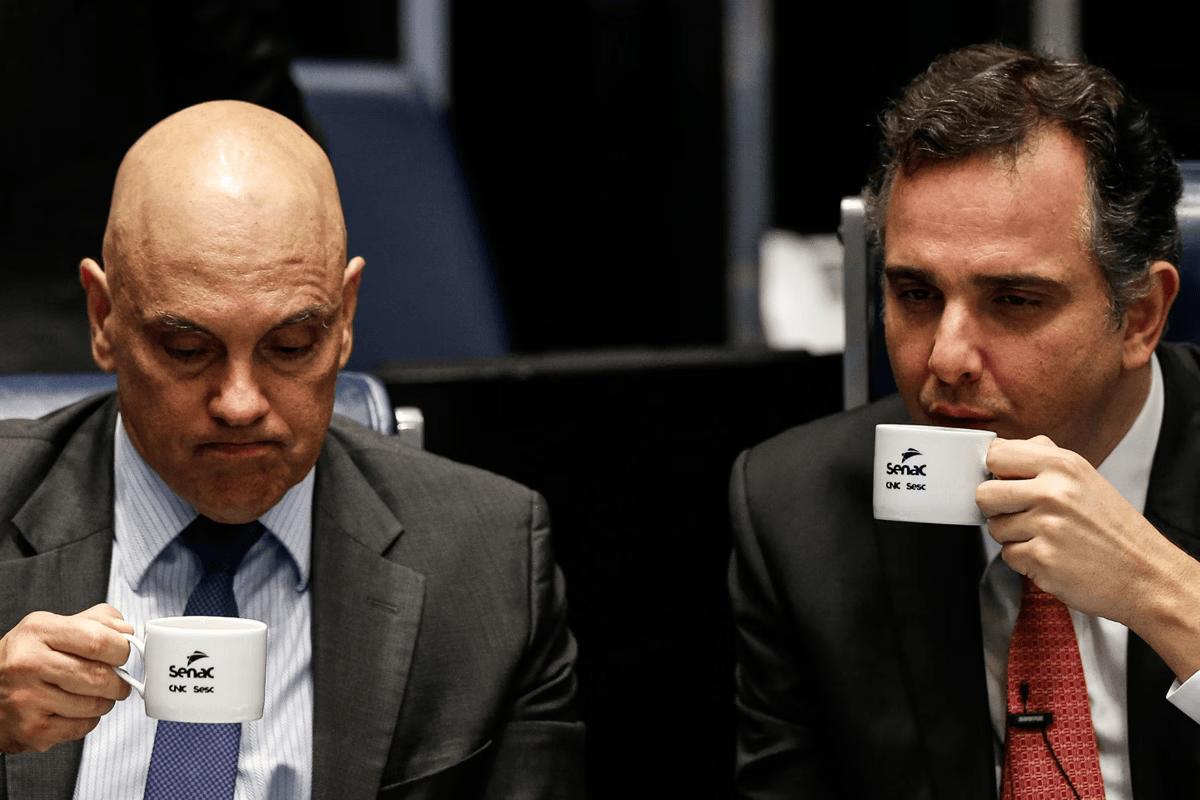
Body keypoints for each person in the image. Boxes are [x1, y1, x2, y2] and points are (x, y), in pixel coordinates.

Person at [0, 100, 583, 799]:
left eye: (290, 347)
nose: (241, 402)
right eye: (188, 350)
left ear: (345, 320)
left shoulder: (489, 561)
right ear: (104, 318)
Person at [729, 44, 1200, 799]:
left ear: (1140, 317)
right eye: (915, 294)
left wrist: (1159, 590)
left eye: (1013, 301)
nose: (945, 358)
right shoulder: (800, 513)